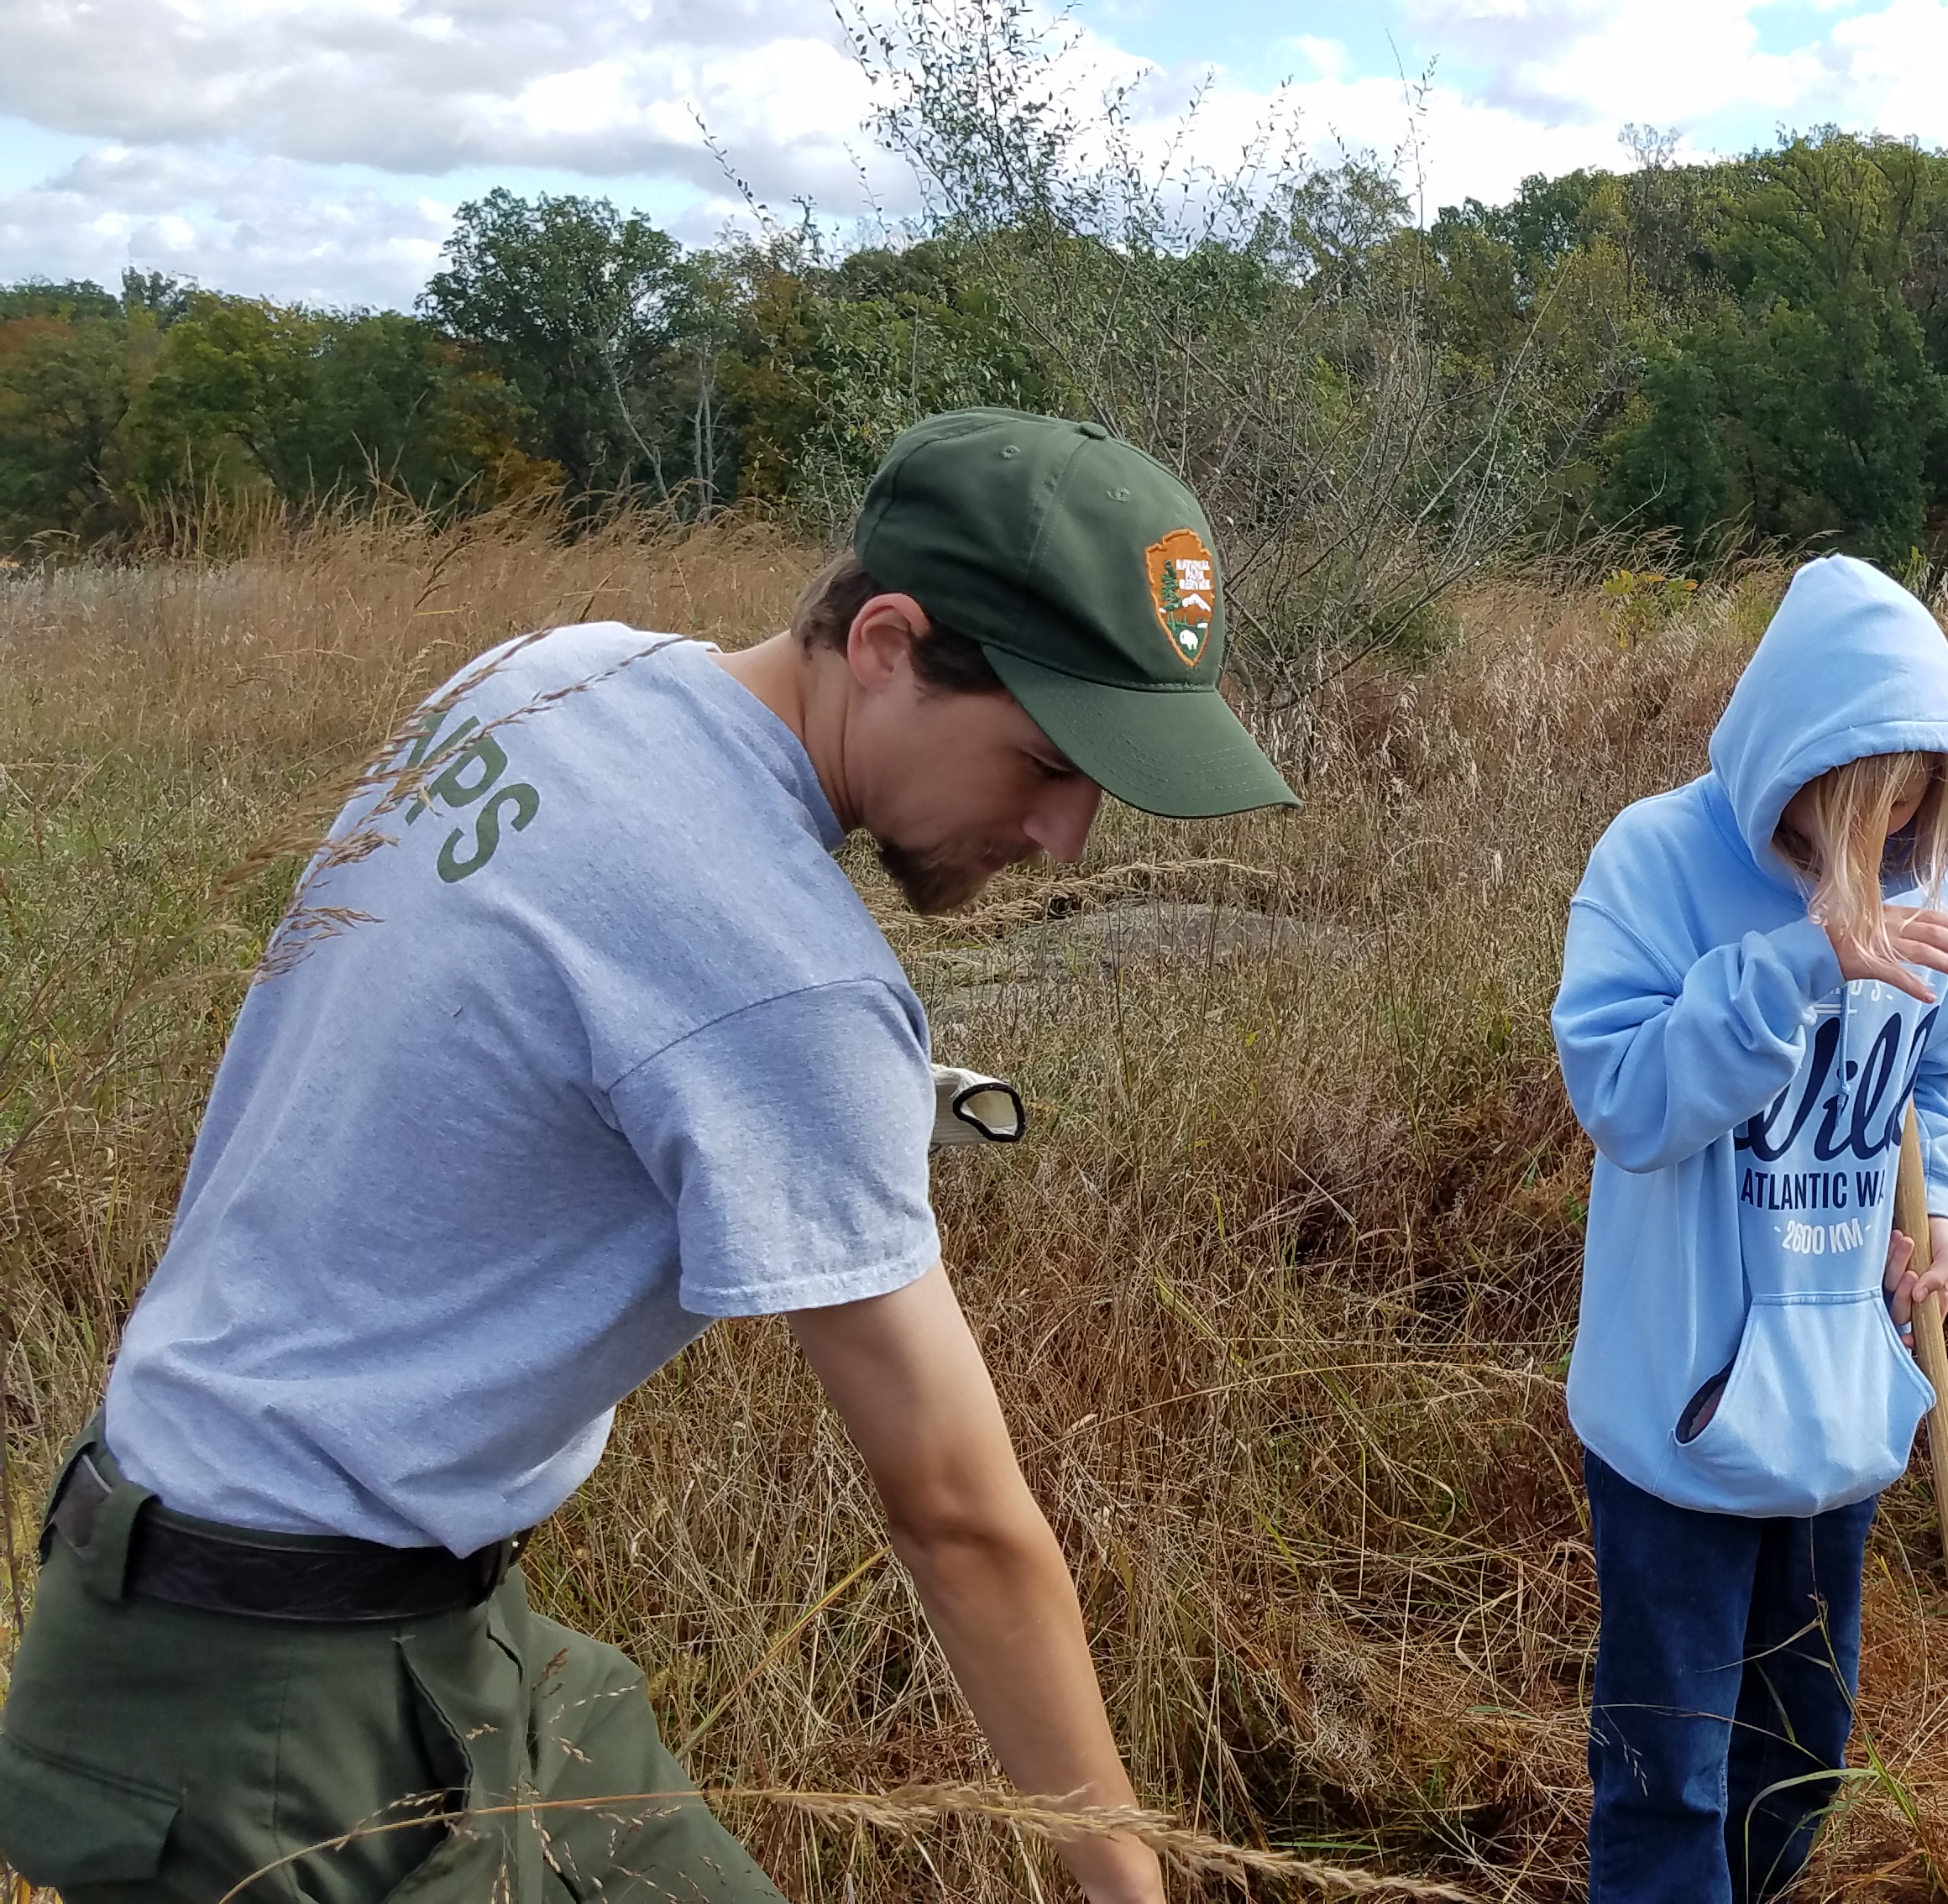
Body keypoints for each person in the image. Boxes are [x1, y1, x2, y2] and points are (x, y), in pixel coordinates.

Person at [0, 409, 1299, 1904]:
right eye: (1044, 758)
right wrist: (1127, 1884)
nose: (1066, 835)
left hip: (330, 1589)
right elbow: (957, 1517)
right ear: (884, 640)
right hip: (268, 1704)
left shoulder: (558, 670)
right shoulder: (790, 985)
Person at [1551, 555, 1948, 1904]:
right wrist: (1805, 960)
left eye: (1919, 814)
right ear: (1794, 768)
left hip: (1842, 1413)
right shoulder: (1656, 860)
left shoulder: (1945, 879)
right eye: (1866, 818)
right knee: (1668, 1771)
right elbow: (1622, 1098)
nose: (1896, 850)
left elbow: (1936, 1083)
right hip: (1679, 1420)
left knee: (1803, 1748)